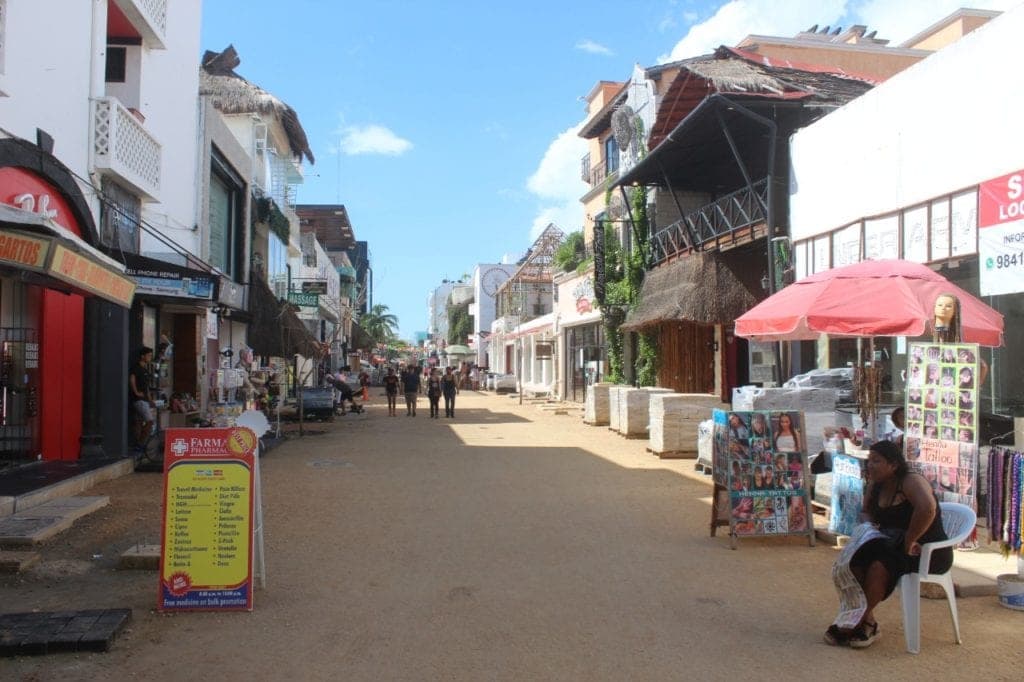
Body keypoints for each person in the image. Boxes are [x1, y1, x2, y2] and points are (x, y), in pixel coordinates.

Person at [824, 440, 951, 648]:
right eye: (869, 460)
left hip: (925, 549)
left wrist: (910, 539)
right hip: (890, 542)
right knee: (852, 563)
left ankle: (853, 623)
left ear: (893, 464)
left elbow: (927, 509)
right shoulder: (876, 484)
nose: (870, 465)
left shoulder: (910, 481)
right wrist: (869, 527)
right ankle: (867, 621)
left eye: (876, 461)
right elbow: (865, 511)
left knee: (879, 567)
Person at [129, 346, 155, 448]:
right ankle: (140, 443)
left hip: (144, 399)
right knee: (149, 421)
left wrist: (150, 399)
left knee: (139, 422)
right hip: (139, 400)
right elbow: (132, 379)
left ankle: (138, 443)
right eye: (148, 355)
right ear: (142, 356)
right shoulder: (136, 368)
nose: (150, 357)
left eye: (151, 356)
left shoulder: (145, 370)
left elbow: (146, 387)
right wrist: (136, 392)